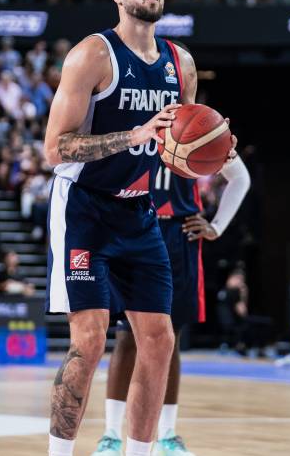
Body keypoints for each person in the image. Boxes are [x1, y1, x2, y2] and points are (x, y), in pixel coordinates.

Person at [42, 0, 234, 456]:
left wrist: (209, 150)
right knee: (89, 339)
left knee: (159, 339)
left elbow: (179, 150)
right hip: (84, 208)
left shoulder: (181, 63)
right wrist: (134, 134)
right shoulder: (92, 55)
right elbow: (54, 148)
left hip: (139, 210)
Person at [93, 153, 249, 456]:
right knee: (126, 338)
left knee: (170, 339)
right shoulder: (135, 117)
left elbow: (240, 177)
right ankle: (110, 435)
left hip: (179, 235)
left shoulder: (200, 126)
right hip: (134, 228)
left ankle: (167, 435)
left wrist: (217, 226)